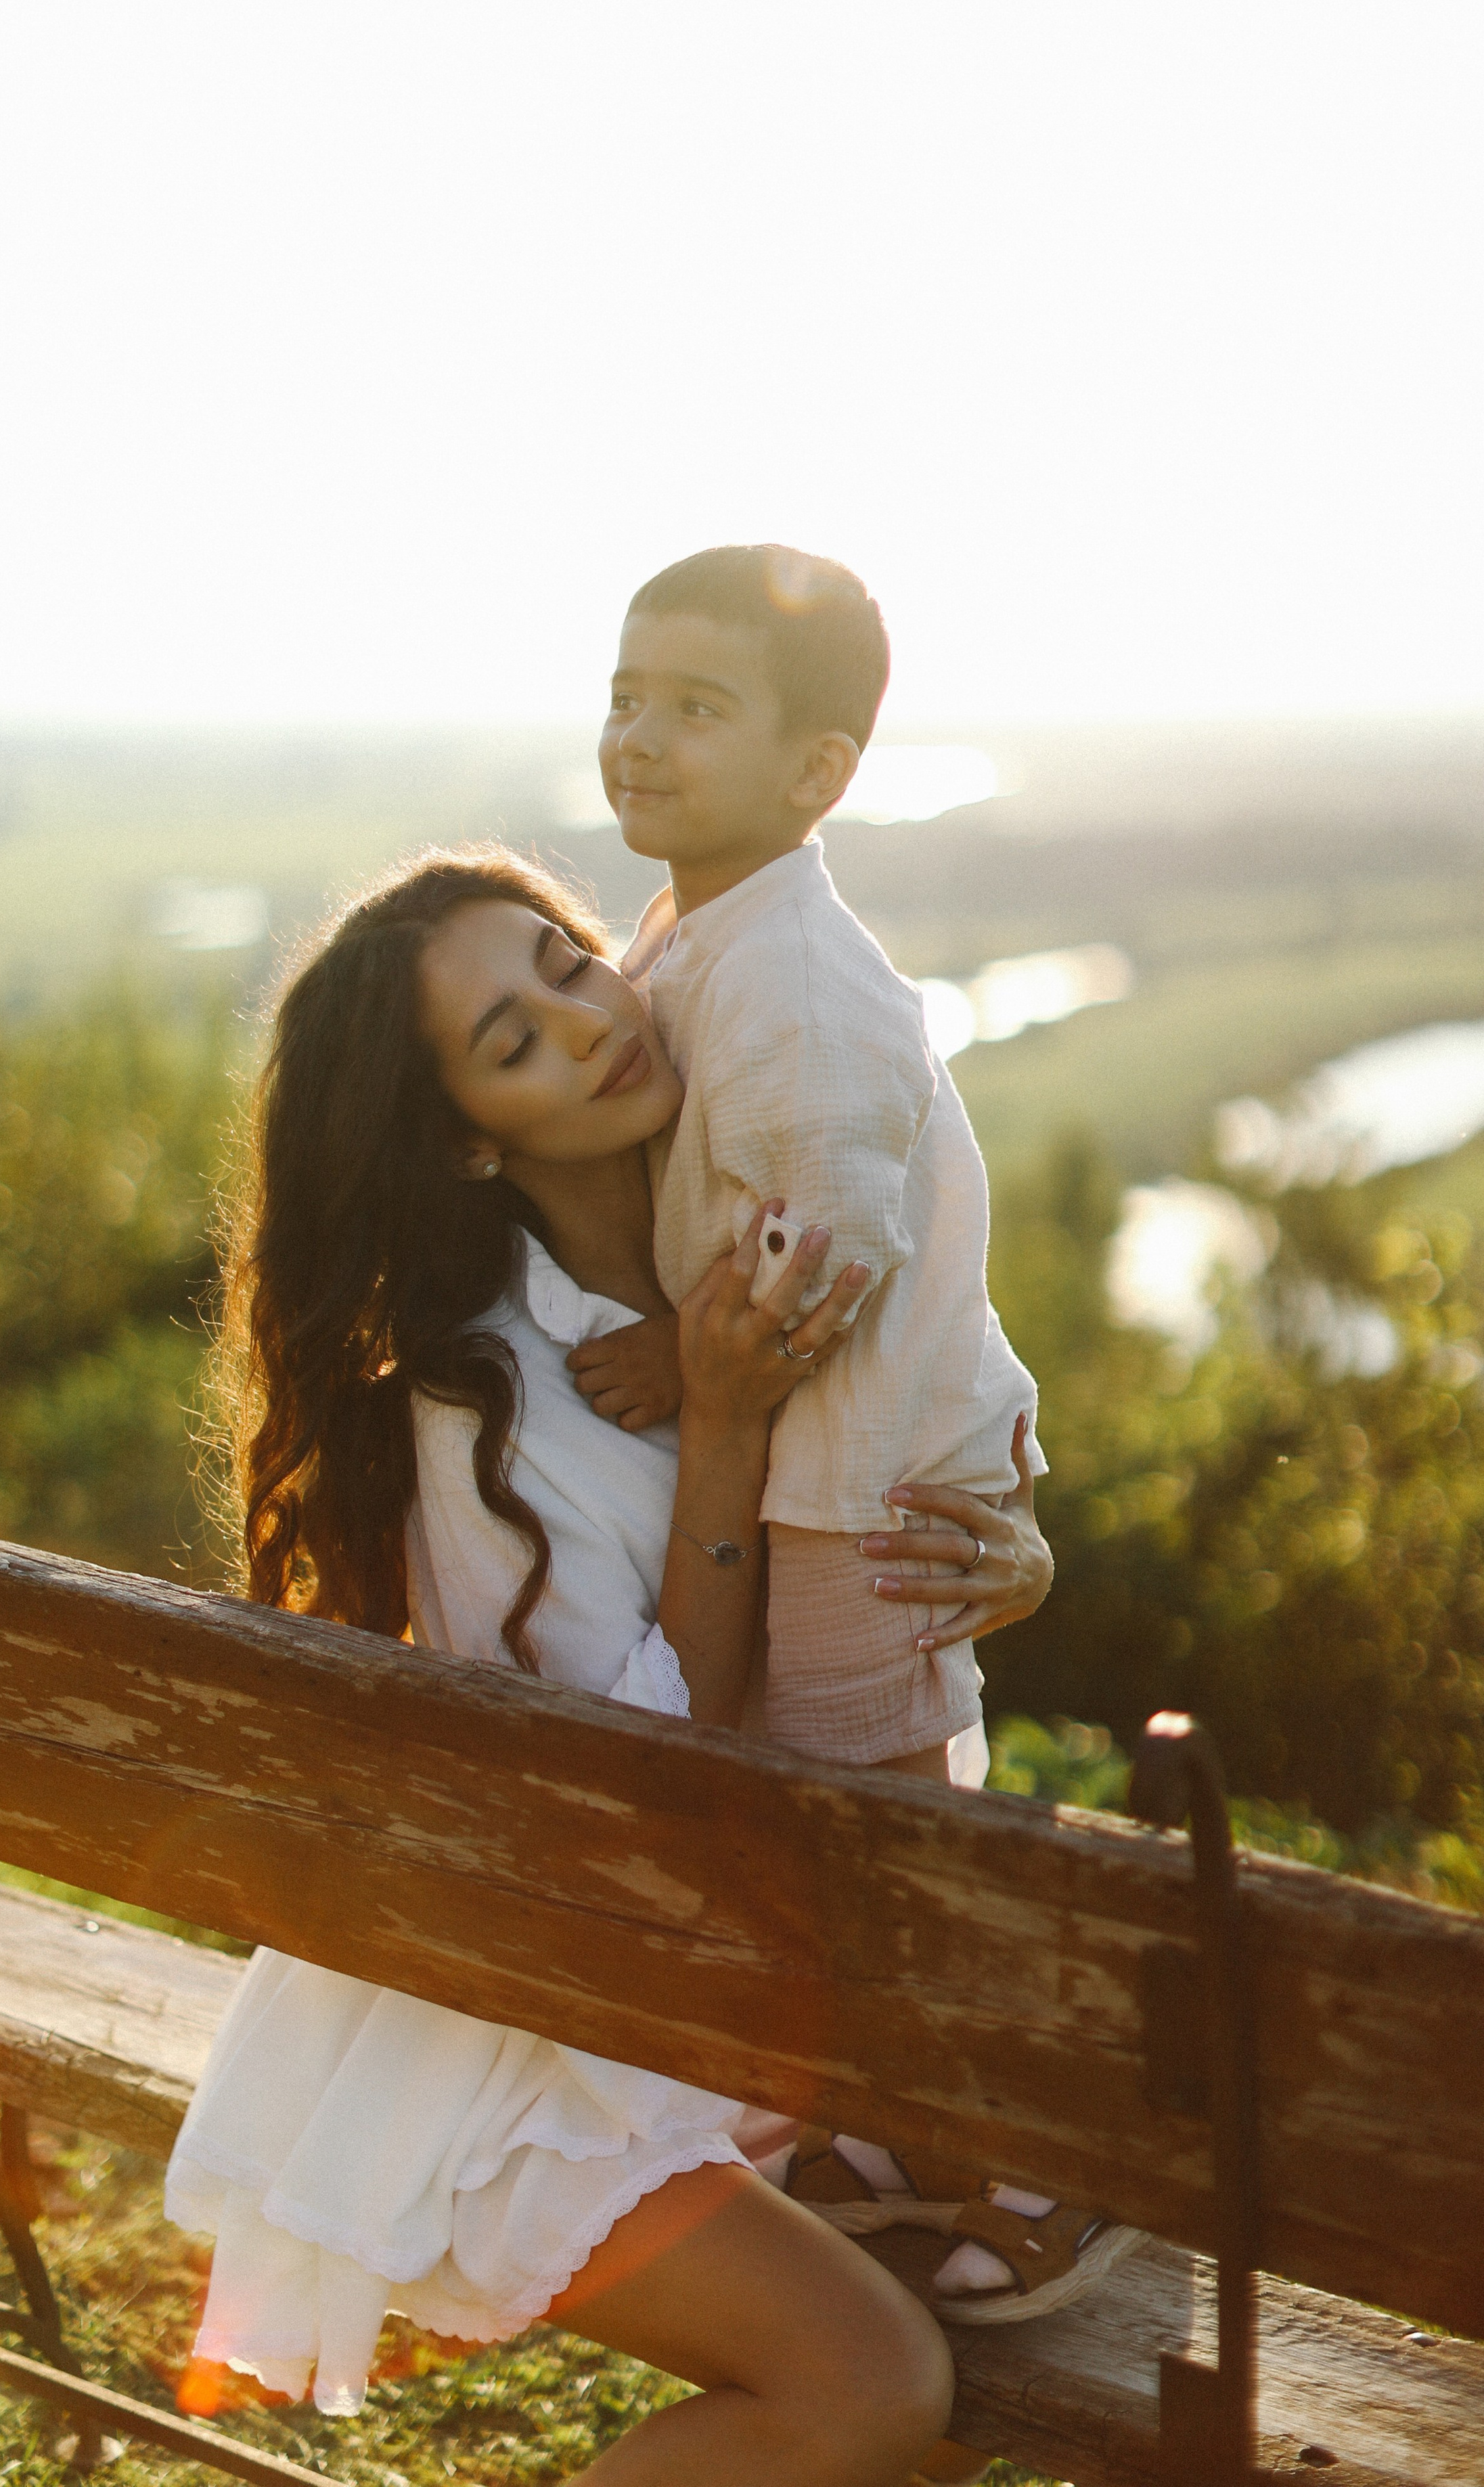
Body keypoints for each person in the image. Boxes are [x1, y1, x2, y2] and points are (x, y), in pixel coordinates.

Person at [167, 847, 1010, 2482]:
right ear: (474, 1138)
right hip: (541, 2036)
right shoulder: (471, 1404)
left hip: (761, 1977)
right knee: (871, 2387)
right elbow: (628, 1790)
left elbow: (909, 1513)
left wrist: (1015, 1555)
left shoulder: (783, 1225)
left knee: (946, 2402)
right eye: (509, 1040)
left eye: (560, 963)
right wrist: (722, 1426)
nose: (581, 1020)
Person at [570, 542, 1141, 2320]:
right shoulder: (700, 924)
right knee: (829, 1830)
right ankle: (892, 2136)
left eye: (696, 707)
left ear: (820, 773)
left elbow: (831, 1245)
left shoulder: (801, 981)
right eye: (626, 694)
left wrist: (680, 1351)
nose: (638, 738)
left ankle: (1042, 2170)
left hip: (869, 1483)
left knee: (885, 1844)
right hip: (819, 1473)